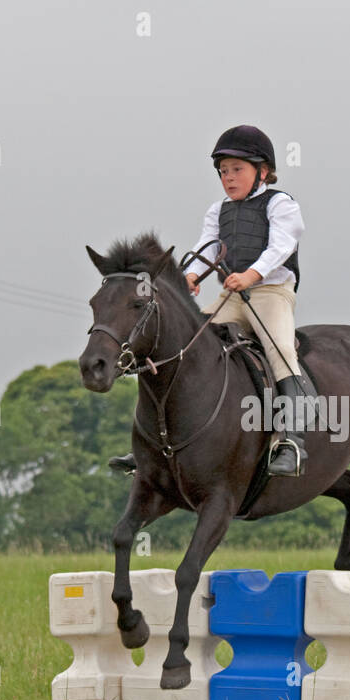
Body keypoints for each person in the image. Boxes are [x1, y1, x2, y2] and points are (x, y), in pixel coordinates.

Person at [108, 124, 309, 478]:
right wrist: (190, 276)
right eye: (223, 172)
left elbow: (282, 246)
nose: (228, 178)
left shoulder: (281, 204)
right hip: (231, 295)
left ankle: (291, 442)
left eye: (237, 170)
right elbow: (208, 248)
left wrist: (252, 275)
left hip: (271, 293)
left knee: (281, 352)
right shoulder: (218, 210)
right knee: (187, 346)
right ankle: (150, 445)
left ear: (262, 171)